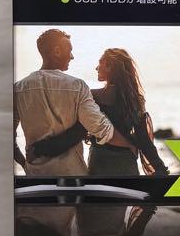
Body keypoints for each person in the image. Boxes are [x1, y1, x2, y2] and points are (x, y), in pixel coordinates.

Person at [26, 47, 169, 177]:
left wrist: (39, 149)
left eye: (100, 63)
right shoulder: (135, 99)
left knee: (100, 198)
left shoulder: (94, 96)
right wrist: (160, 168)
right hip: (127, 164)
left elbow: (75, 134)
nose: (96, 68)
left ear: (110, 67)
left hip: (101, 162)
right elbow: (144, 141)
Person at [13, 29, 116, 177]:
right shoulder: (78, 86)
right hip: (72, 176)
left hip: (35, 176)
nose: (72, 56)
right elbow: (103, 130)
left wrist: (24, 164)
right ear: (57, 51)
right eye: (70, 50)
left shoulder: (18, 89)